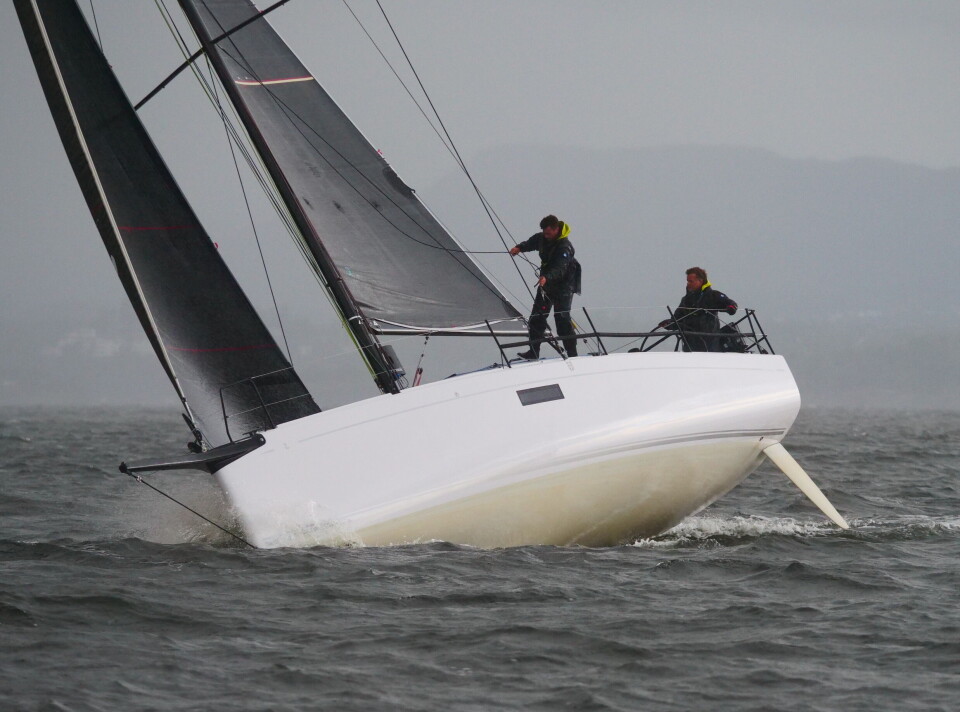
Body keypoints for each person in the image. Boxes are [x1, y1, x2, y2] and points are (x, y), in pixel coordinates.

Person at [509, 215, 581, 359]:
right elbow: (531, 243)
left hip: (564, 286)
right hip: (546, 283)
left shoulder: (565, 247)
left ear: (556, 229)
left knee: (562, 320)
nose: (546, 236)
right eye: (544, 233)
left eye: (548, 233)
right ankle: (533, 351)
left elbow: (560, 268)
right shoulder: (542, 237)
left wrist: (546, 277)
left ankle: (573, 355)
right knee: (536, 317)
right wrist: (519, 248)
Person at [659, 267, 737, 352]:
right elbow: (677, 320)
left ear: (700, 281)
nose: (688, 284)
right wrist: (668, 324)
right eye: (687, 281)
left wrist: (731, 308)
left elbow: (730, 304)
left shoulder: (713, 295)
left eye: (691, 281)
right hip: (689, 347)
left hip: (710, 346)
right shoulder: (685, 300)